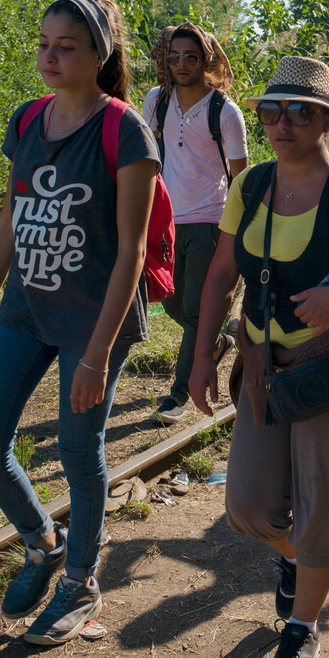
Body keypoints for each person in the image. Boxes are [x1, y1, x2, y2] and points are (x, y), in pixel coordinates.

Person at [188, 55, 329, 658]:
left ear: (324, 122)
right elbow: (219, 276)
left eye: (299, 113)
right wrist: (203, 354)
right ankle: (298, 559)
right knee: (249, 506)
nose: (282, 124)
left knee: (324, 506)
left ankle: (302, 627)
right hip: (264, 361)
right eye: (271, 112)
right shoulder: (251, 185)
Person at [0, 0, 159, 644]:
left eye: (66, 46)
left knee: (78, 450)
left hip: (92, 322)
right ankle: (42, 542)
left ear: (99, 55)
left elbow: (130, 249)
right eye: (44, 42)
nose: (49, 56)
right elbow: (9, 223)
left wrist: (99, 353)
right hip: (26, 310)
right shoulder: (26, 121)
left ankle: (79, 581)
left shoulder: (124, 129)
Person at [144, 23, 249, 425]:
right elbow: (148, 158)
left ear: (205, 59)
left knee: (192, 312)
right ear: (165, 61)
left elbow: (241, 178)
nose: (182, 64)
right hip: (167, 221)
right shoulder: (156, 100)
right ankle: (218, 339)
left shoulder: (225, 111)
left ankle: (178, 393)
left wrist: (240, 231)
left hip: (212, 221)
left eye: (190, 57)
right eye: (174, 57)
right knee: (170, 299)